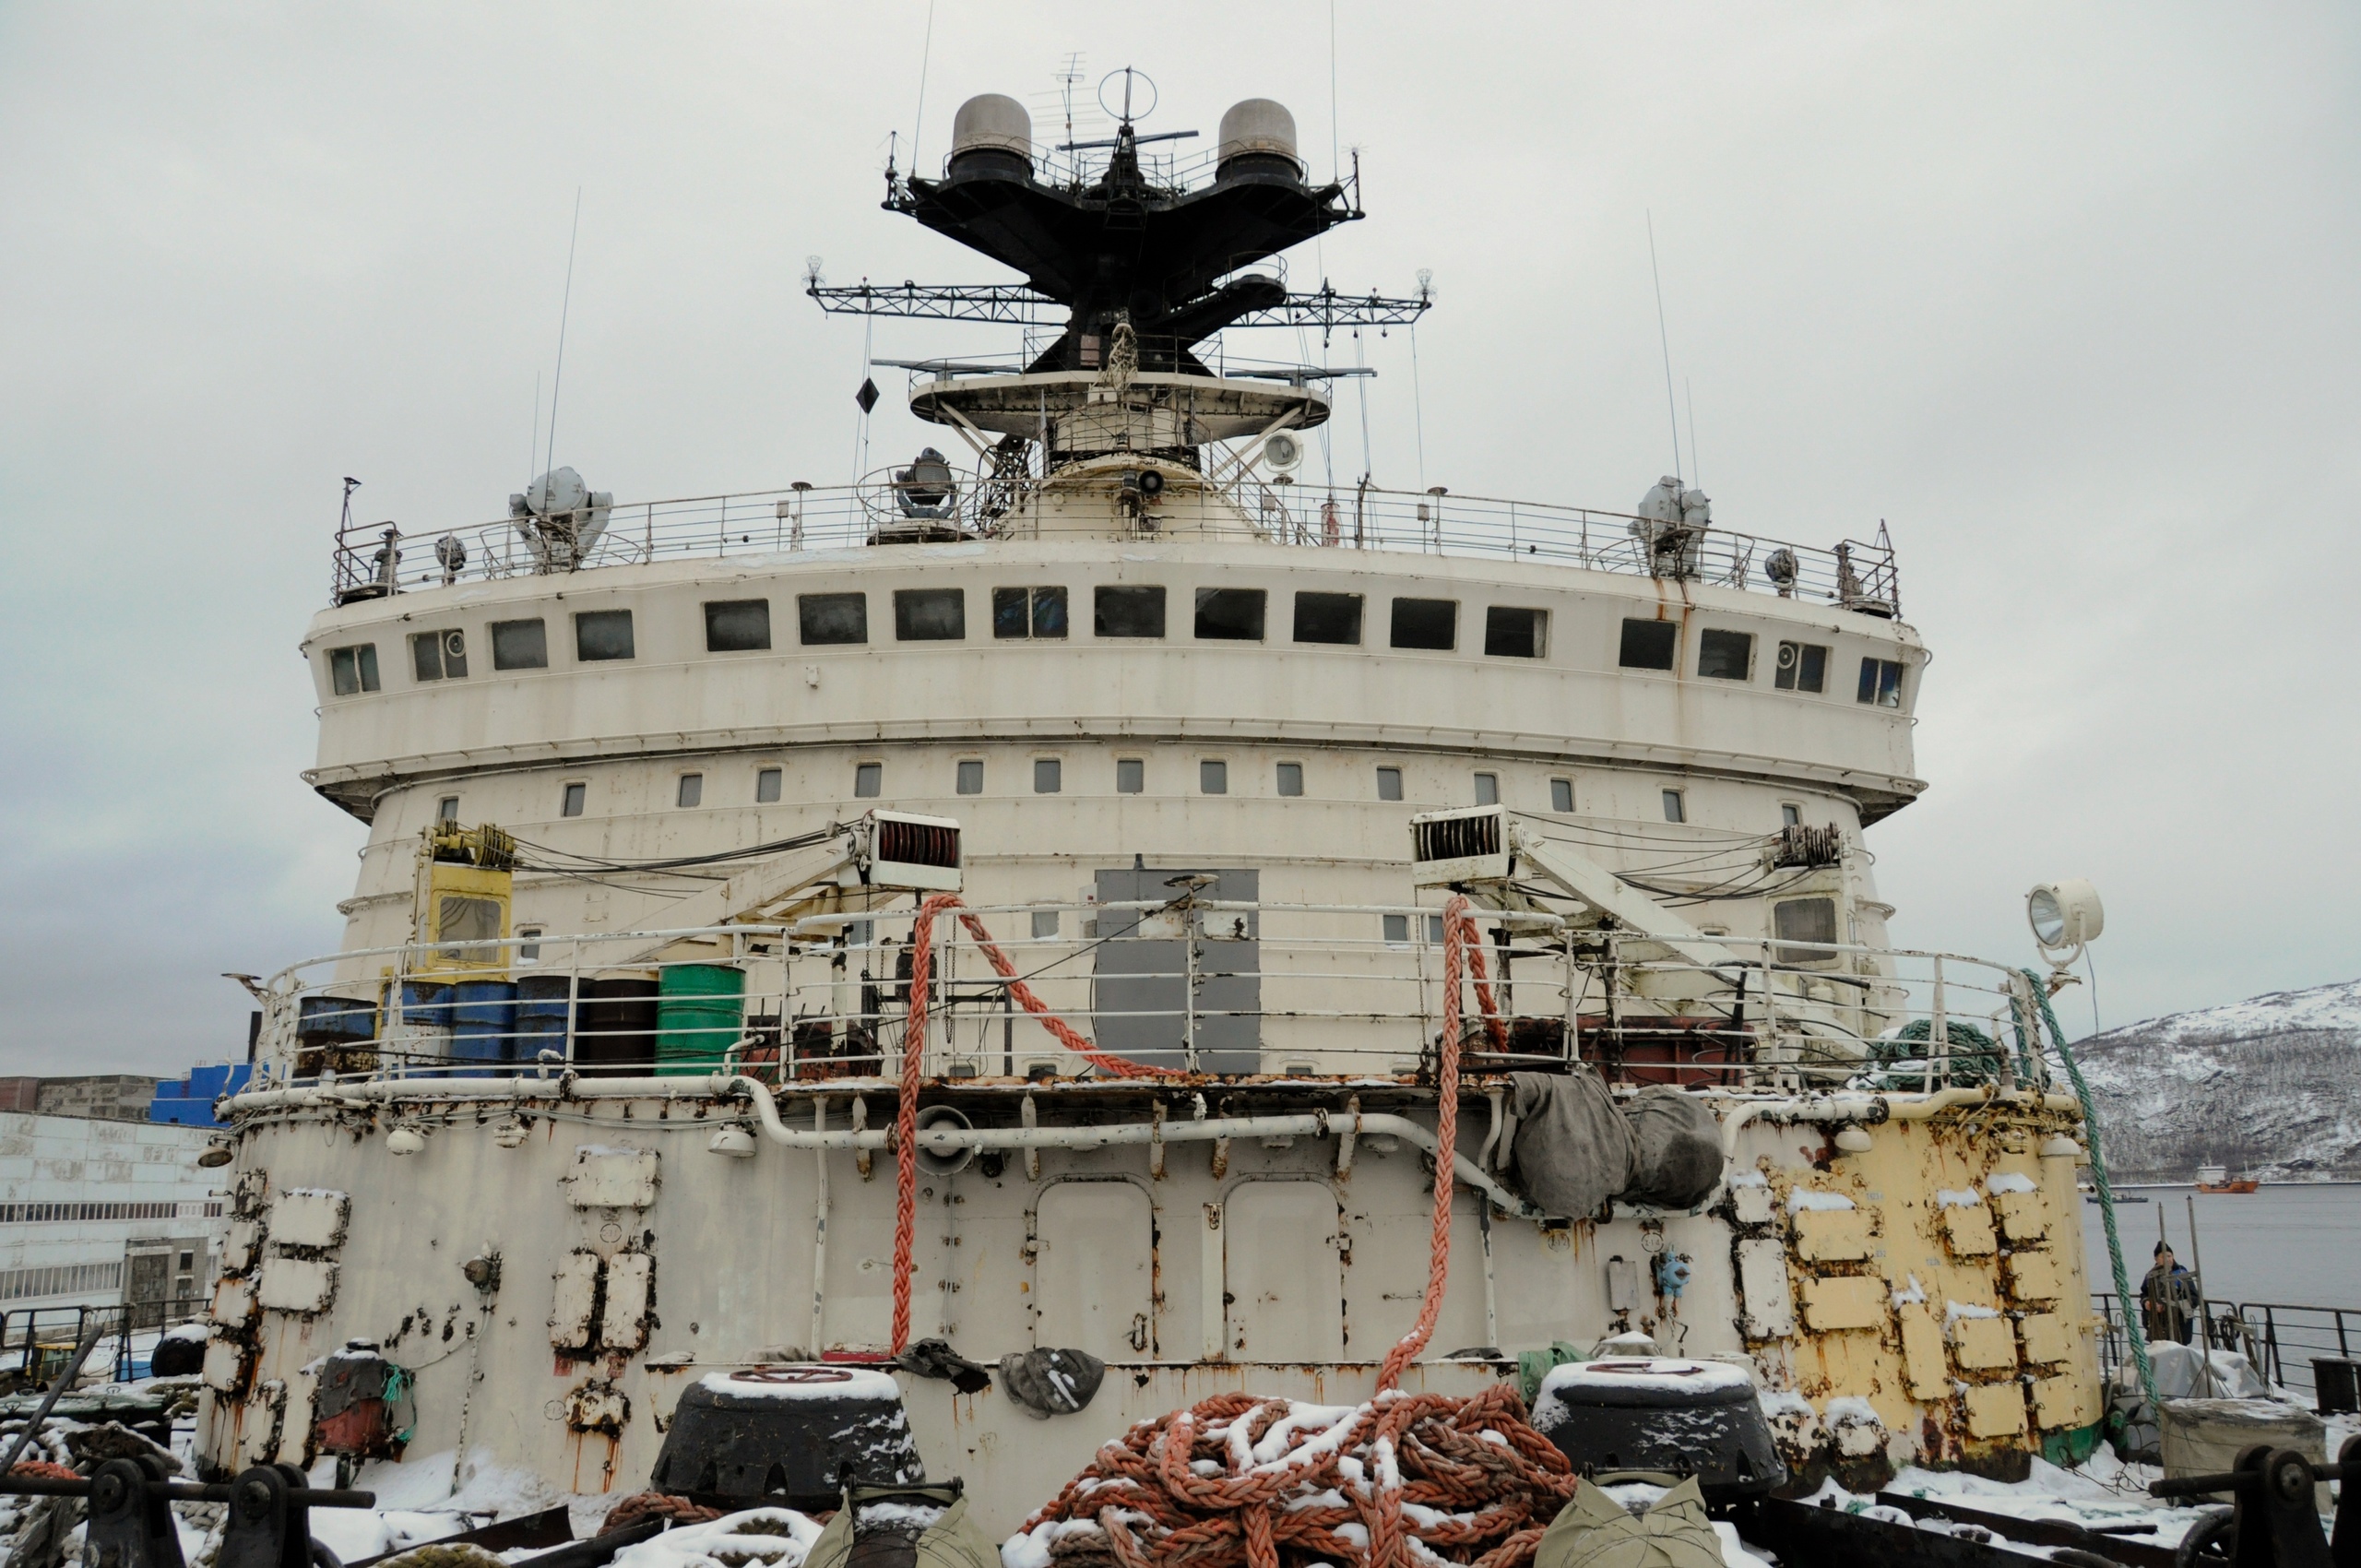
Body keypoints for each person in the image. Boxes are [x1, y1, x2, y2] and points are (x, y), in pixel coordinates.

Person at [2142, 1241, 2201, 1345]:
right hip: (2157, 1327)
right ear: (2156, 1259)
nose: (2168, 1259)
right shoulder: (2150, 1277)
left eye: (2169, 1256)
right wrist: (2146, 1303)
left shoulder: (2182, 1274)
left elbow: (2194, 1299)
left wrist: (2166, 1307)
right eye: (2163, 1257)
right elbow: (2144, 1294)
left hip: (2180, 1327)